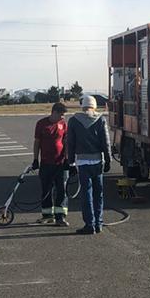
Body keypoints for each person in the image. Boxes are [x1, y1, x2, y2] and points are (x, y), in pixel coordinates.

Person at [66, 93, 111, 234]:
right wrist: (108, 159)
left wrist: (71, 162)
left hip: (82, 161)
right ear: (94, 106)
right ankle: (99, 223)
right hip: (97, 161)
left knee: (86, 193)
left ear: (83, 105)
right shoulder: (100, 120)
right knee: (99, 193)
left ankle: (89, 224)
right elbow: (106, 142)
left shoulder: (73, 121)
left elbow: (70, 143)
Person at [32, 101, 70, 227]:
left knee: (61, 190)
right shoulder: (41, 124)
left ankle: (61, 216)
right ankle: (47, 215)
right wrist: (35, 159)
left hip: (60, 163)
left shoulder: (63, 124)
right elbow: (37, 142)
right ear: (54, 112)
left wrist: (68, 159)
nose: (63, 117)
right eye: (61, 114)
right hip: (46, 163)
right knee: (46, 189)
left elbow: (66, 142)